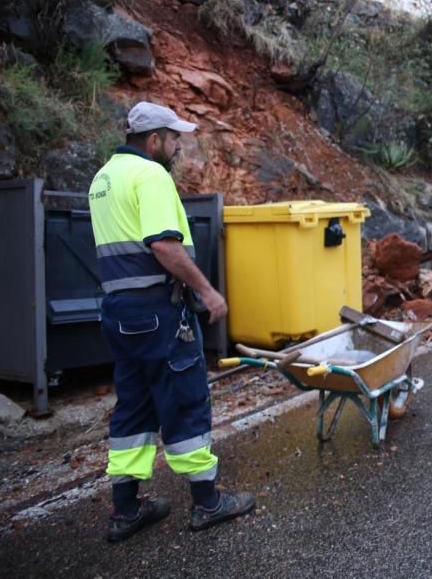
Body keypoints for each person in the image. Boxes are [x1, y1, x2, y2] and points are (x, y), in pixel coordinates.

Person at [88, 101, 254, 543]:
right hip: (159, 313)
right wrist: (207, 289)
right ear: (153, 139)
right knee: (184, 398)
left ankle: (125, 511)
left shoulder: (103, 178)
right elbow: (163, 246)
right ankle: (207, 502)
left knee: (135, 406)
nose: (178, 145)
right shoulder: (151, 175)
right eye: (174, 137)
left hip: (119, 313)